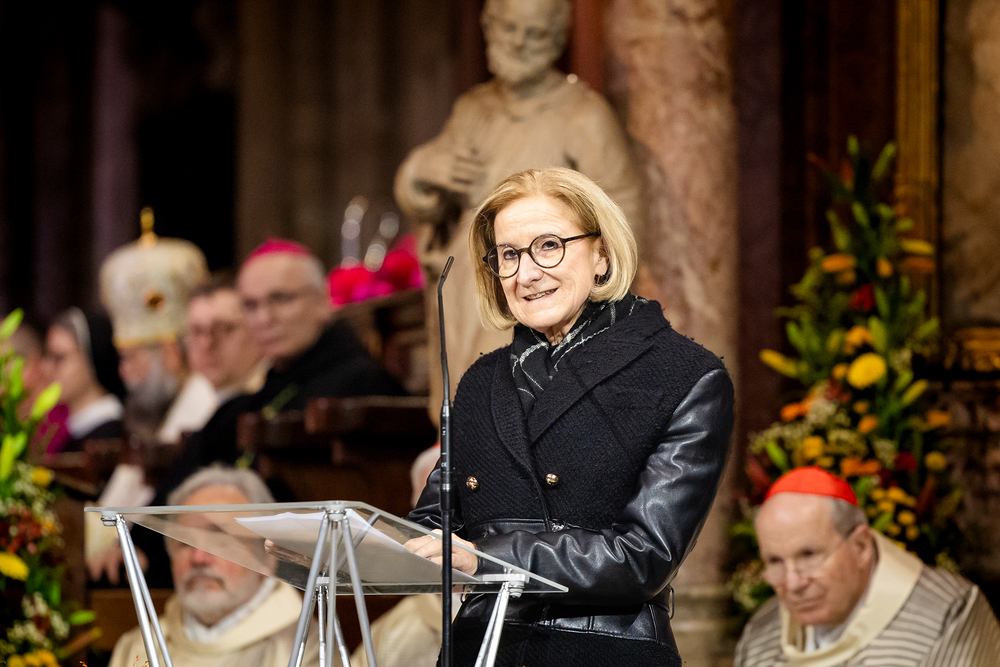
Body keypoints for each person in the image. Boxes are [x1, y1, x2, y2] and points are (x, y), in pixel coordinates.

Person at [404, 167, 734, 666]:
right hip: (482, 650)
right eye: (509, 255)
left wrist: (486, 558)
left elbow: (645, 557)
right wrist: (357, 540)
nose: (526, 273)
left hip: (605, 651)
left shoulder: (685, 375)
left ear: (602, 254)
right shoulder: (480, 381)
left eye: (549, 246)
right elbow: (433, 524)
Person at [394, 0, 644, 414]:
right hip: (472, 285)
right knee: (468, 404)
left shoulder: (583, 114)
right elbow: (430, 203)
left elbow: (623, 209)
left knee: (530, 406)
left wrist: (590, 278)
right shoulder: (473, 110)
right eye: (509, 28)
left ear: (557, 41)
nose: (518, 43)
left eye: (535, 33)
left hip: (543, 284)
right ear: (489, 27)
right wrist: (422, 172)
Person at [734, 466, 1000, 666]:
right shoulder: (761, 635)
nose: (793, 583)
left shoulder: (948, 615)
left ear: (861, 546)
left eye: (809, 555)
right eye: (775, 561)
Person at [108, 466, 319, 667]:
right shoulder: (138, 647)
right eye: (184, 542)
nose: (198, 557)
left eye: (219, 541)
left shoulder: (307, 649)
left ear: (266, 556)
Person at [100, 207, 216, 446]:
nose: (122, 371)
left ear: (170, 353)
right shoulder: (162, 416)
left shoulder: (204, 411)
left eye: (130, 358)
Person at [43, 308, 126, 452]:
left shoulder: (110, 436)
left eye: (59, 358)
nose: (47, 368)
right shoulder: (70, 429)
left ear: (91, 360)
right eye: (47, 356)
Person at [184, 273, 266, 404]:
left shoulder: (273, 396)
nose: (207, 343)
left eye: (223, 329)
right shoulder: (195, 390)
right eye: (197, 331)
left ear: (257, 330)